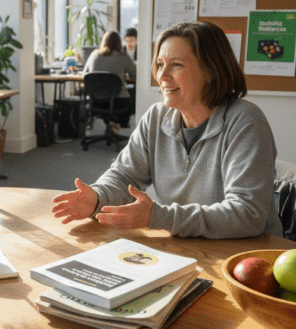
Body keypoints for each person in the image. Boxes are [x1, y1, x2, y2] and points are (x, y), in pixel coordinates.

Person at [53, 21, 282, 239]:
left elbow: (247, 214)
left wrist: (159, 217)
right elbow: (124, 176)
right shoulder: (156, 117)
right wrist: (97, 197)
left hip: (245, 256)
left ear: (211, 70)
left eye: (176, 65)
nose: (162, 76)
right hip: (185, 246)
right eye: (160, 64)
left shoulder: (246, 121)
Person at [82, 30, 137, 127]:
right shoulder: (122, 55)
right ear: (119, 42)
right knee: (132, 94)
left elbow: (85, 74)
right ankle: (120, 125)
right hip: (118, 102)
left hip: (95, 101)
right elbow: (135, 74)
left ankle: (113, 127)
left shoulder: (94, 54)